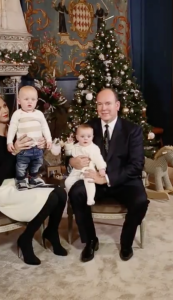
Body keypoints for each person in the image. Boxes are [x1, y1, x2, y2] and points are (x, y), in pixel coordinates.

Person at [0, 94, 67, 266]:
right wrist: (14, 151)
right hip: (4, 188)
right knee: (51, 198)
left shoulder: (20, 130)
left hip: (24, 180)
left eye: (4, 106)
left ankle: (51, 232)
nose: (5, 111)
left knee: (61, 194)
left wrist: (40, 147)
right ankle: (26, 239)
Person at [68, 88, 149, 262]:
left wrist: (105, 178)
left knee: (141, 201)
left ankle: (126, 242)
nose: (103, 108)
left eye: (108, 103)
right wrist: (72, 161)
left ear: (117, 105)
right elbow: (73, 150)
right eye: (99, 104)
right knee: (76, 192)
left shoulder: (132, 130)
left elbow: (136, 165)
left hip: (124, 181)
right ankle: (90, 240)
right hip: (93, 180)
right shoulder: (89, 127)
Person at [7, 86, 52, 190]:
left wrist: (48, 140)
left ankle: (33, 179)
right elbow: (12, 128)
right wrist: (9, 142)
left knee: (37, 164)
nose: (29, 102)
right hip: (24, 149)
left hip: (37, 148)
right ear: (19, 101)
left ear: (37, 101)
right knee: (21, 166)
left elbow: (45, 127)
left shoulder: (39, 114)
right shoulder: (17, 114)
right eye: (26, 99)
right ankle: (21, 180)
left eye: (33, 99)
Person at [64, 124, 107, 206]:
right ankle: (70, 196)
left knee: (89, 182)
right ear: (77, 137)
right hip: (76, 171)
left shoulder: (93, 148)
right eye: (82, 136)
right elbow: (68, 153)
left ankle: (90, 198)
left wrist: (102, 168)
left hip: (88, 170)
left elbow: (98, 159)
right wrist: (69, 144)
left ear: (92, 137)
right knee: (68, 182)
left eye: (89, 136)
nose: (85, 138)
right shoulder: (75, 146)